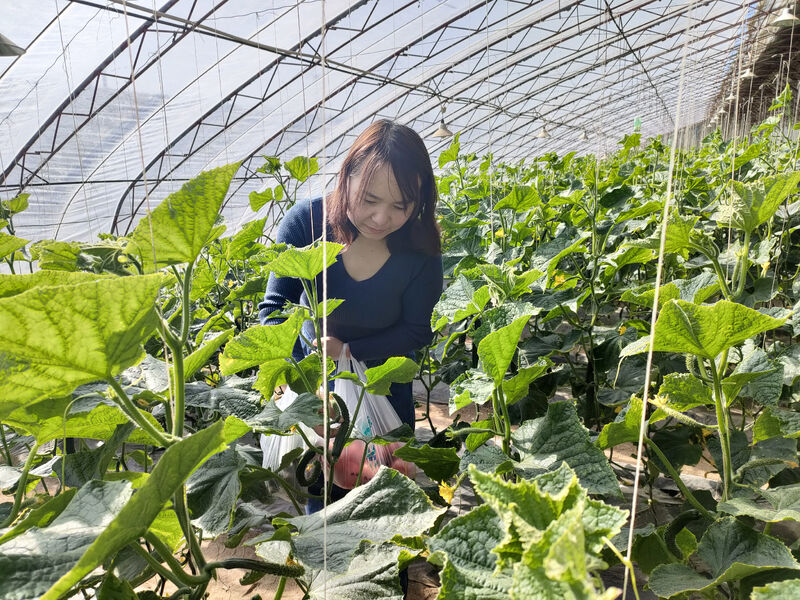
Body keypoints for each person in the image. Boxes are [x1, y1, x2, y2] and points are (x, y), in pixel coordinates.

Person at [257, 119, 443, 505]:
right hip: (316, 384)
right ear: (346, 178)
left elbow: (418, 330)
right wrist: (295, 388)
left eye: (400, 206)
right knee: (324, 494)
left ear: (419, 202)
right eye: (370, 200)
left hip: (385, 385)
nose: (381, 218)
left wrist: (348, 351)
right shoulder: (306, 223)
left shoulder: (420, 248)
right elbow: (274, 312)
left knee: (386, 498)